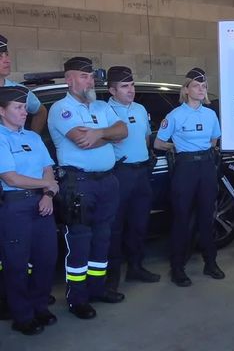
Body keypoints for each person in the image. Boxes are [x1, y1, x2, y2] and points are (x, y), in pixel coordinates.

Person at [48, 57, 127, 320]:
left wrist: (98, 133)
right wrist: (105, 135)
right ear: (69, 80)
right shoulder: (61, 109)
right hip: (78, 183)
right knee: (79, 241)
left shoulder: (102, 106)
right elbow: (82, 141)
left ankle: (97, 289)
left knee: (103, 237)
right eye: (84, 77)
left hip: (107, 181)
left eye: (91, 76)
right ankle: (77, 298)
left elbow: (123, 130)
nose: (90, 81)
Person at [154, 67, 224, 287]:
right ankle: (177, 267)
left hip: (206, 166)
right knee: (182, 218)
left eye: (204, 86)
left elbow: (214, 141)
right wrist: (177, 146)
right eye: (196, 86)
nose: (201, 90)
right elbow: (158, 143)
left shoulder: (210, 114)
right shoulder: (175, 115)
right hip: (185, 167)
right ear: (186, 90)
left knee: (206, 217)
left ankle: (210, 262)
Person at [0, 86, 59, 335]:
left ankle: (39, 306)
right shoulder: (1, 138)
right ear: (2, 111)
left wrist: (47, 194)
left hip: (42, 204)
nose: (25, 112)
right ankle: (22, 315)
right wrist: (47, 185)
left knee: (46, 259)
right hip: (15, 207)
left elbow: (48, 168)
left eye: (25, 107)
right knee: (17, 264)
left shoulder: (33, 137)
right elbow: (11, 178)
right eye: (18, 107)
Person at [105, 66, 160, 293]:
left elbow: (147, 138)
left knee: (139, 223)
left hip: (141, 172)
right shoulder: (106, 112)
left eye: (132, 85)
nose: (131, 90)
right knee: (115, 227)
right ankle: (112, 278)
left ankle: (136, 267)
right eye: (125, 86)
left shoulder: (139, 109)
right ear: (112, 90)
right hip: (120, 173)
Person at [0, 34, 47, 134]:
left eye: (7, 55)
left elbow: (40, 111)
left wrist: (33, 138)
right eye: (0, 57)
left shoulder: (19, 90)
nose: (7, 61)